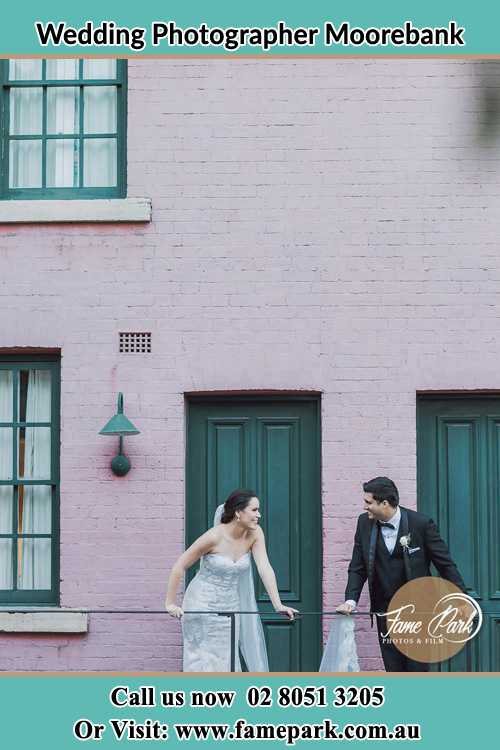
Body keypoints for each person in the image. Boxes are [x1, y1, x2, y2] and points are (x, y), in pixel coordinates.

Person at [335, 476, 467, 672]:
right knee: (394, 670)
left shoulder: (421, 524)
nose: (365, 507)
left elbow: (445, 564)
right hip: (385, 612)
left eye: (368, 502)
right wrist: (350, 601)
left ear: (385, 503)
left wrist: (462, 599)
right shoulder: (364, 523)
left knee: (417, 671)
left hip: (418, 613)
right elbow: (357, 567)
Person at [165, 489, 297, 671]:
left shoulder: (255, 533)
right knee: (203, 661)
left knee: (227, 658)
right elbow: (179, 566)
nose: (259, 515)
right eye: (254, 510)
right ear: (238, 512)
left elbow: (265, 568)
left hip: (230, 605)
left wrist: (278, 604)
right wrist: (170, 603)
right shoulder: (213, 537)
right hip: (202, 604)